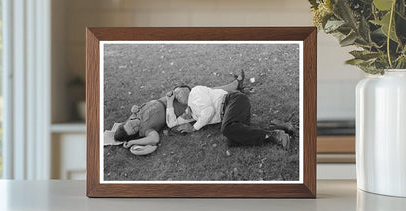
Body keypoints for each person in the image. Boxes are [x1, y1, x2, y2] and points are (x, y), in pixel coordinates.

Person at [113, 72, 246, 149]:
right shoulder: (146, 130)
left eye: (131, 124)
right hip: (176, 109)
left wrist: (135, 109)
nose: (135, 124)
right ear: (137, 133)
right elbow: (154, 139)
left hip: (168, 98)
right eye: (134, 129)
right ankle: (234, 87)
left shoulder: (134, 115)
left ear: (126, 121)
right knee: (204, 96)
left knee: (204, 92)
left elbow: (133, 116)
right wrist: (132, 142)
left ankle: (234, 88)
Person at [166, 85, 292, 149]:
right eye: (175, 95)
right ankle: (280, 127)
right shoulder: (191, 112)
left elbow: (209, 111)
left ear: (186, 89)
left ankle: (274, 135)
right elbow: (171, 123)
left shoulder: (195, 92)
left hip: (233, 100)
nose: (176, 94)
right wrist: (169, 101)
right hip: (230, 113)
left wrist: (194, 127)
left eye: (177, 91)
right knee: (232, 140)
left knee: (226, 129)